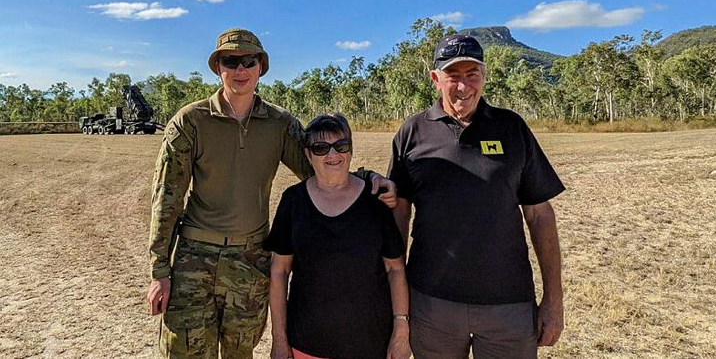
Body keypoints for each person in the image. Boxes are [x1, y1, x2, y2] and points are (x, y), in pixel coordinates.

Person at [146, 28, 396, 358]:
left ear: (261, 67)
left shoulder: (280, 124)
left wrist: (366, 178)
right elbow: (167, 197)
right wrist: (159, 271)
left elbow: (322, 164)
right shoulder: (190, 122)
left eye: (249, 61)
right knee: (185, 352)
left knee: (241, 352)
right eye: (230, 61)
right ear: (217, 67)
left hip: (250, 261)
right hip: (195, 258)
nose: (240, 70)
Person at [388, 34, 566, 358]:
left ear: (484, 76)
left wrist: (554, 299)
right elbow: (398, 214)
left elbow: (540, 215)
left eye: (472, 75)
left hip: (509, 306)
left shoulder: (512, 128)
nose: (463, 86)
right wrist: (395, 299)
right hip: (431, 304)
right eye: (453, 75)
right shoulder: (412, 133)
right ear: (435, 79)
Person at [264, 114, 411, 359]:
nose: (332, 156)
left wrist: (401, 330)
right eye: (321, 148)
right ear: (308, 155)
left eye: (341, 146)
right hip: (307, 342)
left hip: (371, 342)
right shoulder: (293, 201)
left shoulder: (376, 200)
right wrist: (279, 338)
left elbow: (395, 269)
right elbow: (279, 272)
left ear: (350, 150)